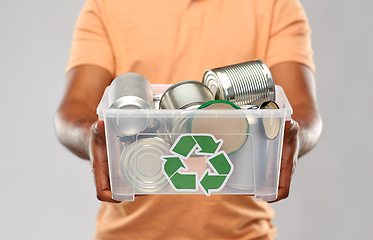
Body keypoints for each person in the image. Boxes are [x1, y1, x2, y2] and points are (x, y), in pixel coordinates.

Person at [54, 0, 322, 239]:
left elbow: (302, 110)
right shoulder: (106, 5)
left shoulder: (276, 5)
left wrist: (292, 134)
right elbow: (74, 108)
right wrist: (92, 135)